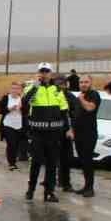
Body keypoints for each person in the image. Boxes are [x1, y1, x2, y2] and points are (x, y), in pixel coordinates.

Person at [24, 63, 69, 202]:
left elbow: (64, 110)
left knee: (51, 163)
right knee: (36, 162)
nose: (44, 73)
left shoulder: (57, 89)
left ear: (51, 73)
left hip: (54, 133)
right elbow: (25, 102)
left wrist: (65, 129)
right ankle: (31, 189)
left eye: (46, 71)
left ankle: (49, 192)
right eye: (41, 71)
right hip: (38, 132)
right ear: (38, 73)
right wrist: (36, 85)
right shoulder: (31, 88)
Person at [69, 84, 100, 197]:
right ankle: (86, 186)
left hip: (89, 133)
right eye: (81, 82)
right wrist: (72, 130)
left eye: (86, 82)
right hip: (78, 133)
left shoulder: (93, 94)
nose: (83, 84)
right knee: (82, 161)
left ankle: (90, 188)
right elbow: (76, 115)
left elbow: (90, 108)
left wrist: (81, 99)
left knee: (87, 160)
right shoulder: (80, 95)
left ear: (90, 83)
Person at [0, 81, 26, 171]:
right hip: (8, 124)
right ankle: (12, 163)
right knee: (11, 144)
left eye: (17, 88)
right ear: (10, 89)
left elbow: (26, 112)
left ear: (20, 90)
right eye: (13, 88)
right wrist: (9, 109)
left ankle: (13, 160)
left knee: (17, 145)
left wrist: (22, 107)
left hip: (19, 125)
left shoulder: (22, 99)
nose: (14, 90)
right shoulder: (6, 98)